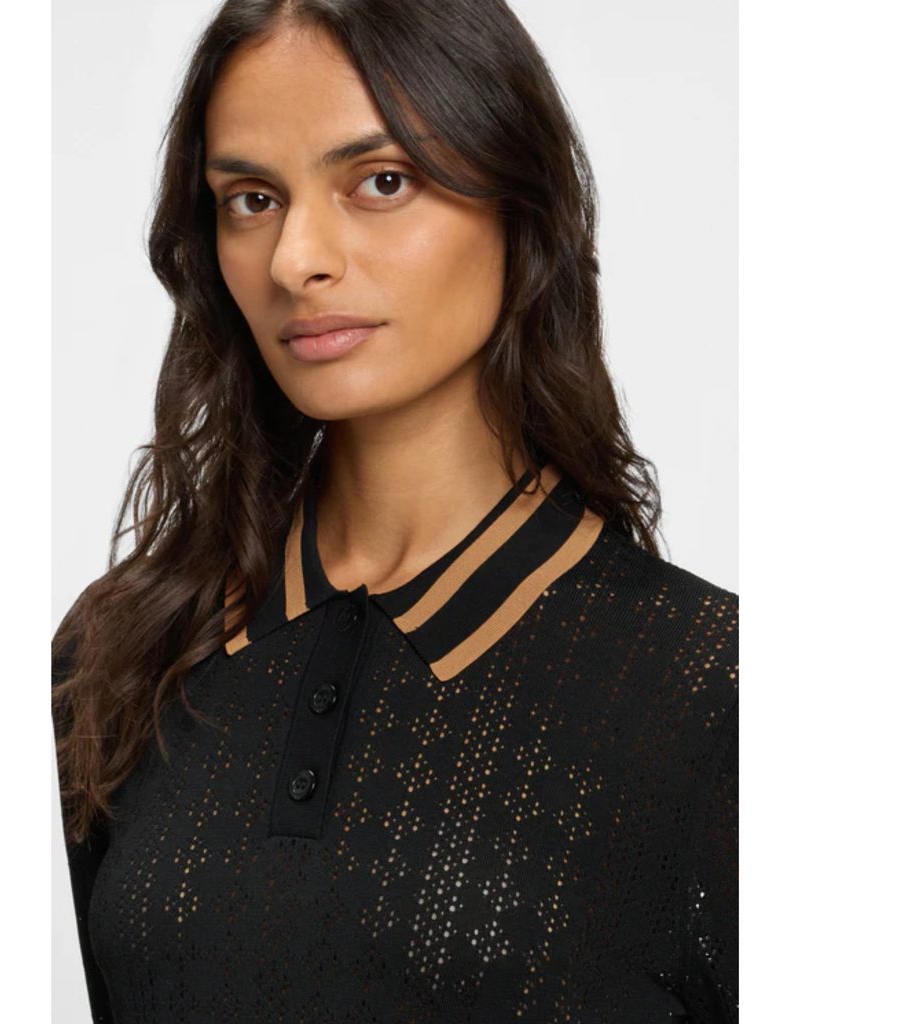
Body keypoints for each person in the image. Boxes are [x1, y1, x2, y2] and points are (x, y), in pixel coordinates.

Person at [52, 1, 738, 1021]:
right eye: (251, 200)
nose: (295, 259)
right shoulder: (121, 654)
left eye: (381, 181)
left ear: (519, 202)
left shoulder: (716, 693)